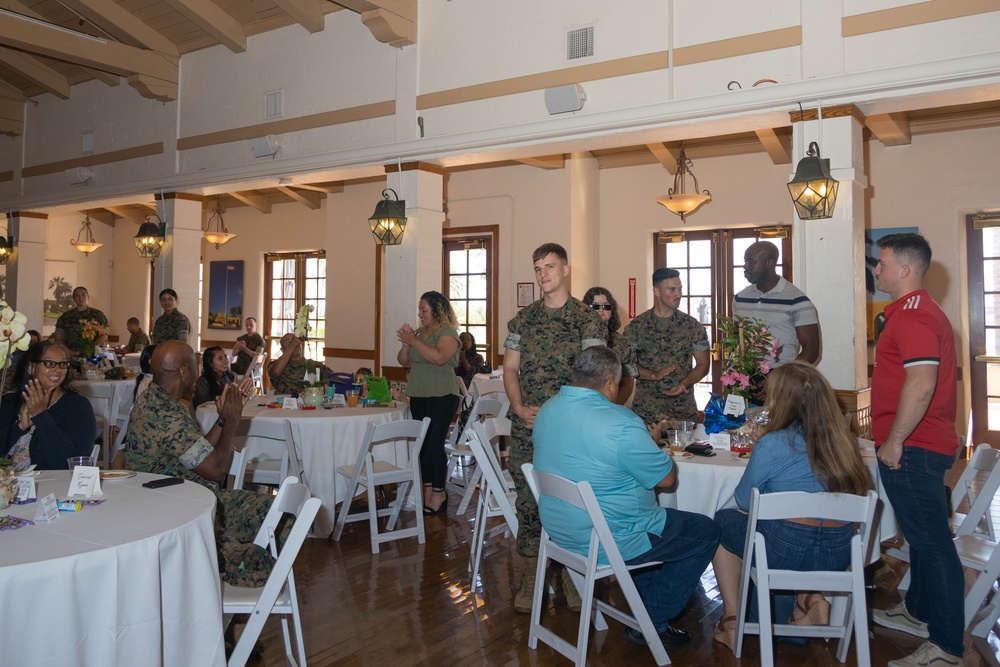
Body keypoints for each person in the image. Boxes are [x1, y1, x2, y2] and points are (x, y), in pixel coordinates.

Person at [533, 346, 719, 649]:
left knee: (656, 536)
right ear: (609, 384)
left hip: (560, 531)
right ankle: (652, 617)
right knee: (705, 531)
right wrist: (650, 443)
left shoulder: (548, 409)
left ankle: (649, 608)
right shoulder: (620, 421)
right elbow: (667, 481)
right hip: (610, 536)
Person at [711, 361, 872, 652]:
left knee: (722, 522)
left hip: (783, 551)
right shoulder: (846, 443)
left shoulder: (773, 443)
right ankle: (810, 599)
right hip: (838, 554)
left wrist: (763, 449)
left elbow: (745, 501)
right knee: (804, 530)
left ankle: (732, 620)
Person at [870, 233, 964, 667]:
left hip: (915, 447)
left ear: (905, 270)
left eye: (882, 263)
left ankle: (946, 648)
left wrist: (894, 441)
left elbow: (922, 381)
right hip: (924, 444)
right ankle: (919, 613)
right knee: (925, 541)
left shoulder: (912, 316)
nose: (876, 269)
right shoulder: (917, 311)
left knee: (932, 543)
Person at [503, 242, 606, 613]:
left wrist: (561, 413)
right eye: (537, 268)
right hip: (528, 426)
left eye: (549, 266)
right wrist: (517, 406)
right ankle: (533, 575)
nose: (543, 274)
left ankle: (569, 573)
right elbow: (510, 369)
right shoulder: (523, 321)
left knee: (571, 500)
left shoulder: (586, 320)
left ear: (565, 269)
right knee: (529, 502)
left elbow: (594, 378)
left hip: (570, 429)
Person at [124, 341, 276, 587]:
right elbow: (215, 470)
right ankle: (226, 581)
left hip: (181, 500)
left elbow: (198, 452)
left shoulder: (156, 400)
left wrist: (222, 419)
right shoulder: (165, 414)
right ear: (183, 371)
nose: (197, 372)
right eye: (194, 366)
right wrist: (232, 423)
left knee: (276, 510)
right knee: (284, 514)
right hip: (183, 513)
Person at [397, 291, 462, 514]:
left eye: (424, 310)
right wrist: (407, 343)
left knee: (434, 445)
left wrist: (414, 340)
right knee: (422, 445)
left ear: (437, 310)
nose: (420, 313)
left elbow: (439, 358)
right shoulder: (420, 333)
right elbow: (403, 361)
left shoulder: (447, 333)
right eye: (420, 309)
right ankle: (425, 491)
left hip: (442, 396)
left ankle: (439, 493)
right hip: (419, 395)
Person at [624, 268, 710, 426]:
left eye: (680, 289)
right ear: (656, 291)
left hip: (682, 413)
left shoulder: (692, 326)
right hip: (647, 414)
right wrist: (653, 375)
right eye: (672, 289)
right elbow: (627, 366)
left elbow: (703, 365)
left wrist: (684, 383)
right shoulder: (636, 327)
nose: (678, 294)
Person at [0, 340, 96, 470]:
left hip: (48, 487)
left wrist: (41, 417)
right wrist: (20, 427)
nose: (57, 369)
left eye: (63, 364)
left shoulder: (78, 407)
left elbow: (72, 465)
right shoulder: (10, 402)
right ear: (31, 367)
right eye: (49, 363)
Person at [733, 241, 819, 373]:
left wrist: (780, 378)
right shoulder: (740, 298)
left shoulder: (797, 300)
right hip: (745, 377)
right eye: (745, 262)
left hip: (781, 380)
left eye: (750, 262)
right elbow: (736, 339)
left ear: (769, 263)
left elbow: (811, 350)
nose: (745, 266)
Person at [583, 286, 637, 404]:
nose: (601, 310)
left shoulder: (624, 343)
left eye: (606, 306)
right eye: (595, 306)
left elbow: (628, 383)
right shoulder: (576, 339)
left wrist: (611, 409)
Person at [266, 333, 331, 395]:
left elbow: (336, 381)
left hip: (310, 403)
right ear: (282, 350)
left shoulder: (316, 365)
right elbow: (275, 372)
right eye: (288, 342)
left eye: (296, 341)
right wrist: (293, 344)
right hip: (284, 403)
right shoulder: (275, 365)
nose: (295, 344)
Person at [54, 286, 108, 354]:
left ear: (88, 297)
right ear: (73, 298)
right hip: (70, 354)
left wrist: (91, 349)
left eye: (83, 295)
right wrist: (69, 352)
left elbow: (104, 334)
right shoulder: (65, 316)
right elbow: (58, 338)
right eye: (77, 296)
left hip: (92, 353)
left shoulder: (98, 315)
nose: (80, 298)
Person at [193, 346, 235, 410]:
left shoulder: (229, 376)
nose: (226, 361)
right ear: (210, 364)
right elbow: (203, 403)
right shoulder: (203, 382)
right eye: (220, 358)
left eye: (225, 357)